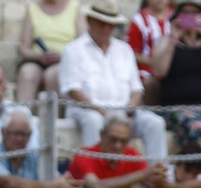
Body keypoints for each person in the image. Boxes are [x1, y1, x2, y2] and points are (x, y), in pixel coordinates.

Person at [59, 0, 170, 161]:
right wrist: (104, 112)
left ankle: (159, 175)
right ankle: (96, 175)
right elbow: (73, 89)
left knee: (155, 123)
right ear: (90, 21)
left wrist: (128, 110)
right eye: (101, 23)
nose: (106, 28)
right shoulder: (73, 49)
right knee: (94, 120)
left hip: (123, 111)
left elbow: (136, 89)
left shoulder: (124, 50)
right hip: (87, 110)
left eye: (111, 24)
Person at [150, 0, 201, 143]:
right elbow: (158, 71)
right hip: (177, 108)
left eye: (195, 13)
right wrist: (174, 39)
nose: (190, 17)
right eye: (186, 13)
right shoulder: (166, 41)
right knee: (197, 126)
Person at [0, 110, 85, 188]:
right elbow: (7, 183)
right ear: (3, 133)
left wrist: (65, 183)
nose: (19, 139)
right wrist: (50, 186)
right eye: (15, 134)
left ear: (30, 135)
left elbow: (57, 180)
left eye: (24, 134)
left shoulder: (35, 156)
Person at [67, 113, 166, 188]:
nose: (117, 146)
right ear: (102, 135)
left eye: (123, 141)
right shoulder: (84, 155)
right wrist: (143, 174)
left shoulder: (132, 155)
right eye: (113, 139)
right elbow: (96, 186)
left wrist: (158, 176)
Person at [15, 0, 83, 101]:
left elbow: (82, 44)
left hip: (64, 60)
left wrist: (63, 56)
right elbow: (24, 49)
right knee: (27, 73)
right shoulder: (32, 9)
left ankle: (54, 116)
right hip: (37, 59)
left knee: (53, 75)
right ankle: (22, 114)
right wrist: (40, 57)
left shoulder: (75, 8)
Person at [125, 0, 170, 99]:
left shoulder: (177, 17)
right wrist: (154, 62)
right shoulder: (139, 20)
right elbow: (131, 53)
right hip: (147, 71)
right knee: (150, 84)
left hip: (175, 69)